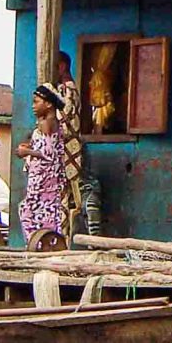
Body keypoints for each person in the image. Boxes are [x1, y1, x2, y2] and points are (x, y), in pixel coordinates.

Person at [54, 50, 101, 236]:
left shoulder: (66, 90)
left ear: (62, 66)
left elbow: (65, 123)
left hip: (69, 149)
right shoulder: (67, 89)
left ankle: (68, 238)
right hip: (71, 147)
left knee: (76, 194)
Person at [16, 84, 69, 244]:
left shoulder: (48, 123)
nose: (33, 106)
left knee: (31, 211)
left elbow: (49, 154)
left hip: (45, 179)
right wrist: (29, 148)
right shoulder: (48, 122)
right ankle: (40, 245)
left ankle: (40, 245)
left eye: (36, 102)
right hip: (42, 177)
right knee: (38, 211)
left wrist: (27, 152)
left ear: (48, 104)